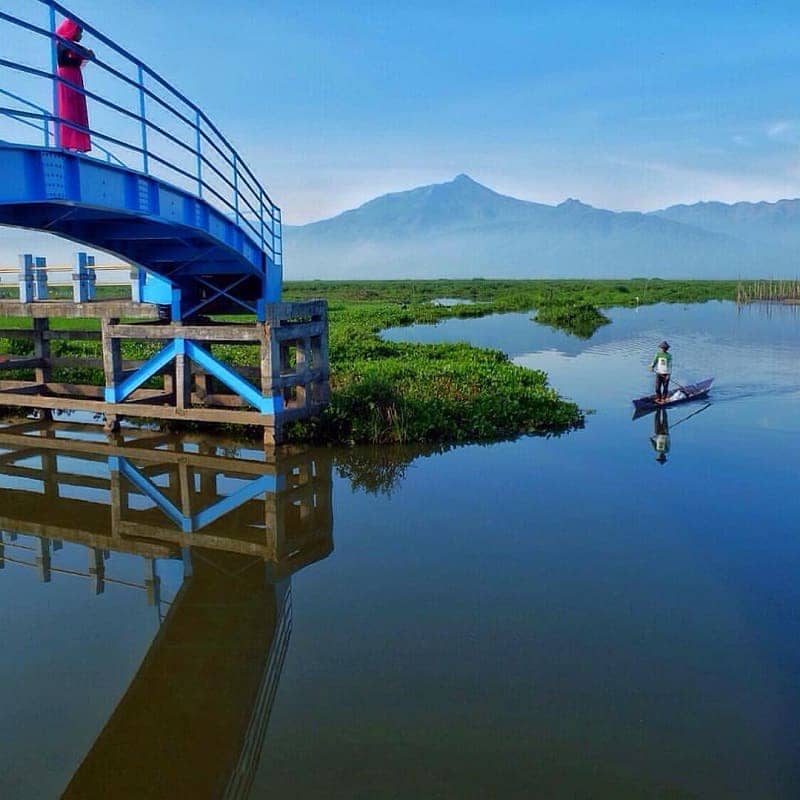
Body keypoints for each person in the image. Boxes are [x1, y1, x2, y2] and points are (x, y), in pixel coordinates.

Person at [55, 19, 94, 153]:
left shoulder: (68, 44)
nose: (81, 36)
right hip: (67, 76)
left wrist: (85, 53)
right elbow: (72, 53)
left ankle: (76, 143)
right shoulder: (62, 42)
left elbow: (80, 54)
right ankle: (67, 143)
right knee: (68, 109)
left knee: (76, 109)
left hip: (74, 76)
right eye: (79, 31)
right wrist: (85, 52)